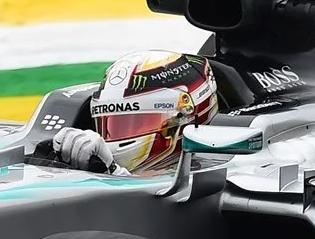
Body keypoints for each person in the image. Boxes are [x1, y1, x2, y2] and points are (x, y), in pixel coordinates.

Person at [51, 49, 220, 174]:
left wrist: (114, 173)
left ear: (185, 114)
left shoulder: (213, 173)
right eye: (114, 124)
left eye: (138, 122)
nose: (115, 138)